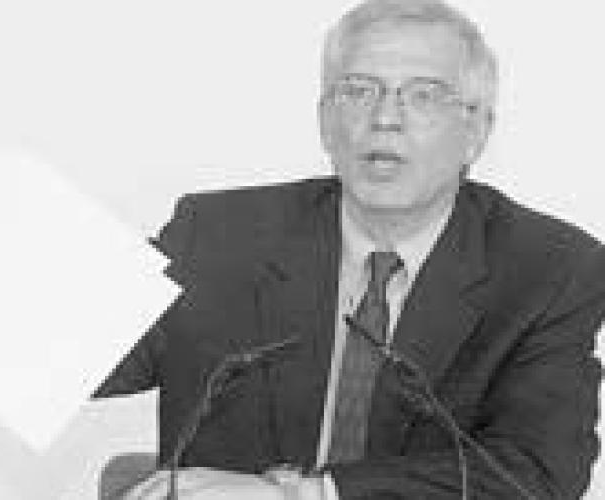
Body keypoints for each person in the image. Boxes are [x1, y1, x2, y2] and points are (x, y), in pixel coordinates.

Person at [91, 0, 605, 498]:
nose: (385, 117)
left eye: (423, 95)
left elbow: (536, 473)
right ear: (324, 121)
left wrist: (305, 495)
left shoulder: (550, 271)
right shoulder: (218, 236)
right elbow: (76, 352)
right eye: (358, 91)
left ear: (476, 130)